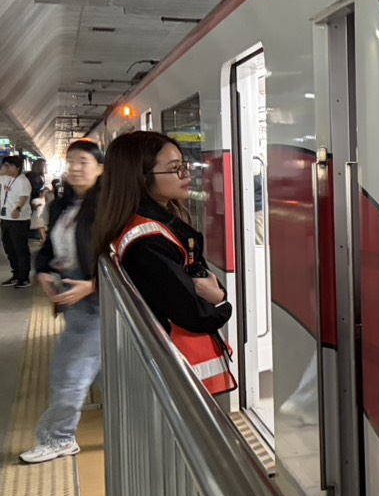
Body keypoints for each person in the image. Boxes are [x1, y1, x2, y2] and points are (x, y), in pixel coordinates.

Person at [92, 132, 235, 399]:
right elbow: (194, 313)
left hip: (170, 368)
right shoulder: (148, 242)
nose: (186, 174)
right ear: (142, 177)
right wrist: (220, 302)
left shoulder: (137, 224)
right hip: (180, 371)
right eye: (175, 168)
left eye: (184, 165)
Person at [20, 141, 105, 464]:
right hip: (74, 303)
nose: (76, 168)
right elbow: (48, 250)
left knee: (71, 374)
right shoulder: (62, 206)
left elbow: (123, 259)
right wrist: (43, 270)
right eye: (72, 161)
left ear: (100, 169)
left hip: (100, 305)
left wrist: (93, 285)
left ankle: (59, 438)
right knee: (91, 372)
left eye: (84, 161)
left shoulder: (109, 208)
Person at [0, 156, 34, 287]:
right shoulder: (6, 178)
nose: (6, 168)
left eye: (9, 165)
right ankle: (16, 274)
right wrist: (3, 171)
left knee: (20, 249)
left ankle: (24, 278)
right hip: (5, 218)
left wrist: (18, 209)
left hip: (19, 220)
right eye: (5, 165)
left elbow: (24, 196)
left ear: (17, 167)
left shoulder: (22, 181)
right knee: (9, 249)